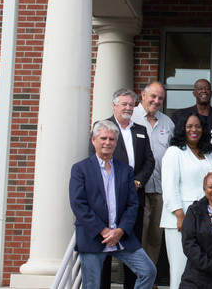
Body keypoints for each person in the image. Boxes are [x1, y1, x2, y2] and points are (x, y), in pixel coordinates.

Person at [71, 120, 157, 289]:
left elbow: (132, 205)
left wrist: (120, 231)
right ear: (94, 140)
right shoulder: (80, 169)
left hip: (121, 236)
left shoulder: (125, 170)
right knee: (92, 285)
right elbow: (78, 204)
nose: (107, 142)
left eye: (111, 139)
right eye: (103, 138)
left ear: (116, 143)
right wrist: (103, 231)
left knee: (148, 270)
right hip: (93, 236)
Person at [89, 88, 155, 289]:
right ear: (114, 105)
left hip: (133, 201)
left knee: (132, 250)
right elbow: (94, 162)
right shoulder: (102, 129)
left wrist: (137, 182)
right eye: (123, 104)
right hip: (106, 203)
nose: (128, 107)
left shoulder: (140, 130)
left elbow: (149, 162)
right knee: (104, 257)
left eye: (131, 104)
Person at [160, 113, 212, 289]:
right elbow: (169, 187)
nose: (194, 130)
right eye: (189, 126)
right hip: (181, 219)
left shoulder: (209, 154)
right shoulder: (174, 152)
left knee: (201, 270)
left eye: (198, 126)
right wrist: (180, 216)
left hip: (206, 220)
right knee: (181, 269)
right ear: (182, 129)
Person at [132, 81, 175, 268]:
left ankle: (149, 280)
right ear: (143, 95)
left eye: (160, 98)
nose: (156, 101)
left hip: (160, 189)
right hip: (137, 189)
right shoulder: (130, 117)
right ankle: (137, 279)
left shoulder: (167, 122)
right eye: (153, 96)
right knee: (138, 235)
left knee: (155, 238)